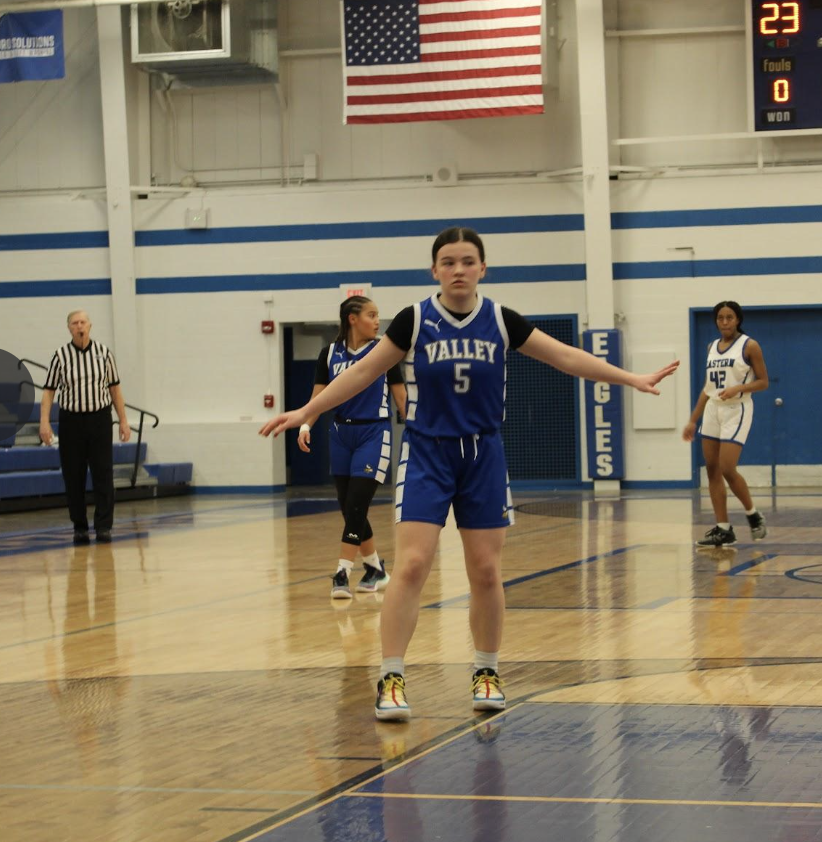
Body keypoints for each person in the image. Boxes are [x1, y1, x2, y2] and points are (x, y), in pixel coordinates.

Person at [260, 227, 678, 721]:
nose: (458, 269)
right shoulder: (414, 320)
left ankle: (486, 670)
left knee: (485, 570)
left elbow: (566, 356)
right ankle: (391, 677)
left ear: (483, 268)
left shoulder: (500, 320)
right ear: (434, 270)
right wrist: (306, 411)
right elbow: (360, 373)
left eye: (467, 261)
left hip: (483, 453)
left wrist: (631, 377)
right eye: (448, 261)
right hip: (427, 453)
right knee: (413, 564)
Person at [299, 295, 407, 598]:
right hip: (340, 435)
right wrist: (306, 424)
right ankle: (375, 569)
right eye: (371, 315)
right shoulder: (329, 353)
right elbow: (318, 397)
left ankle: (342, 572)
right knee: (349, 507)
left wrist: (420, 428)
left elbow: (401, 399)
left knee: (358, 504)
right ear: (352, 319)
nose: (377, 321)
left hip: (374, 433)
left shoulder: (385, 351)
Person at [39, 310, 131, 544]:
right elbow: (49, 391)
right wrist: (44, 422)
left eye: (83, 322)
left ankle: (103, 526)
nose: (79, 326)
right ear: (69, 328)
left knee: (103, 473)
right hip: (71, 421)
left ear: (90, 326)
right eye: (74, 323)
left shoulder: (104, 354)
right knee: (73, 475)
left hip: (99, 419)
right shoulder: (60, 356)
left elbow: (115, 389)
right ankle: (79, 526)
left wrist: (123, 420)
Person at [683, 301, 769, 548]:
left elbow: (763, 382)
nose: (724, 322)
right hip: (713, 408)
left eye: (729, 317)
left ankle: (753, 514)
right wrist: (692, 419)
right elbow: (707, 389)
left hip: (737, 408)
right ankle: (723, 528)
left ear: (737, 320)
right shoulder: (711, 346)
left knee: (727, 467)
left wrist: (738, 388)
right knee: (711, 469)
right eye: (720, 318)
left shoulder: (749, 345)